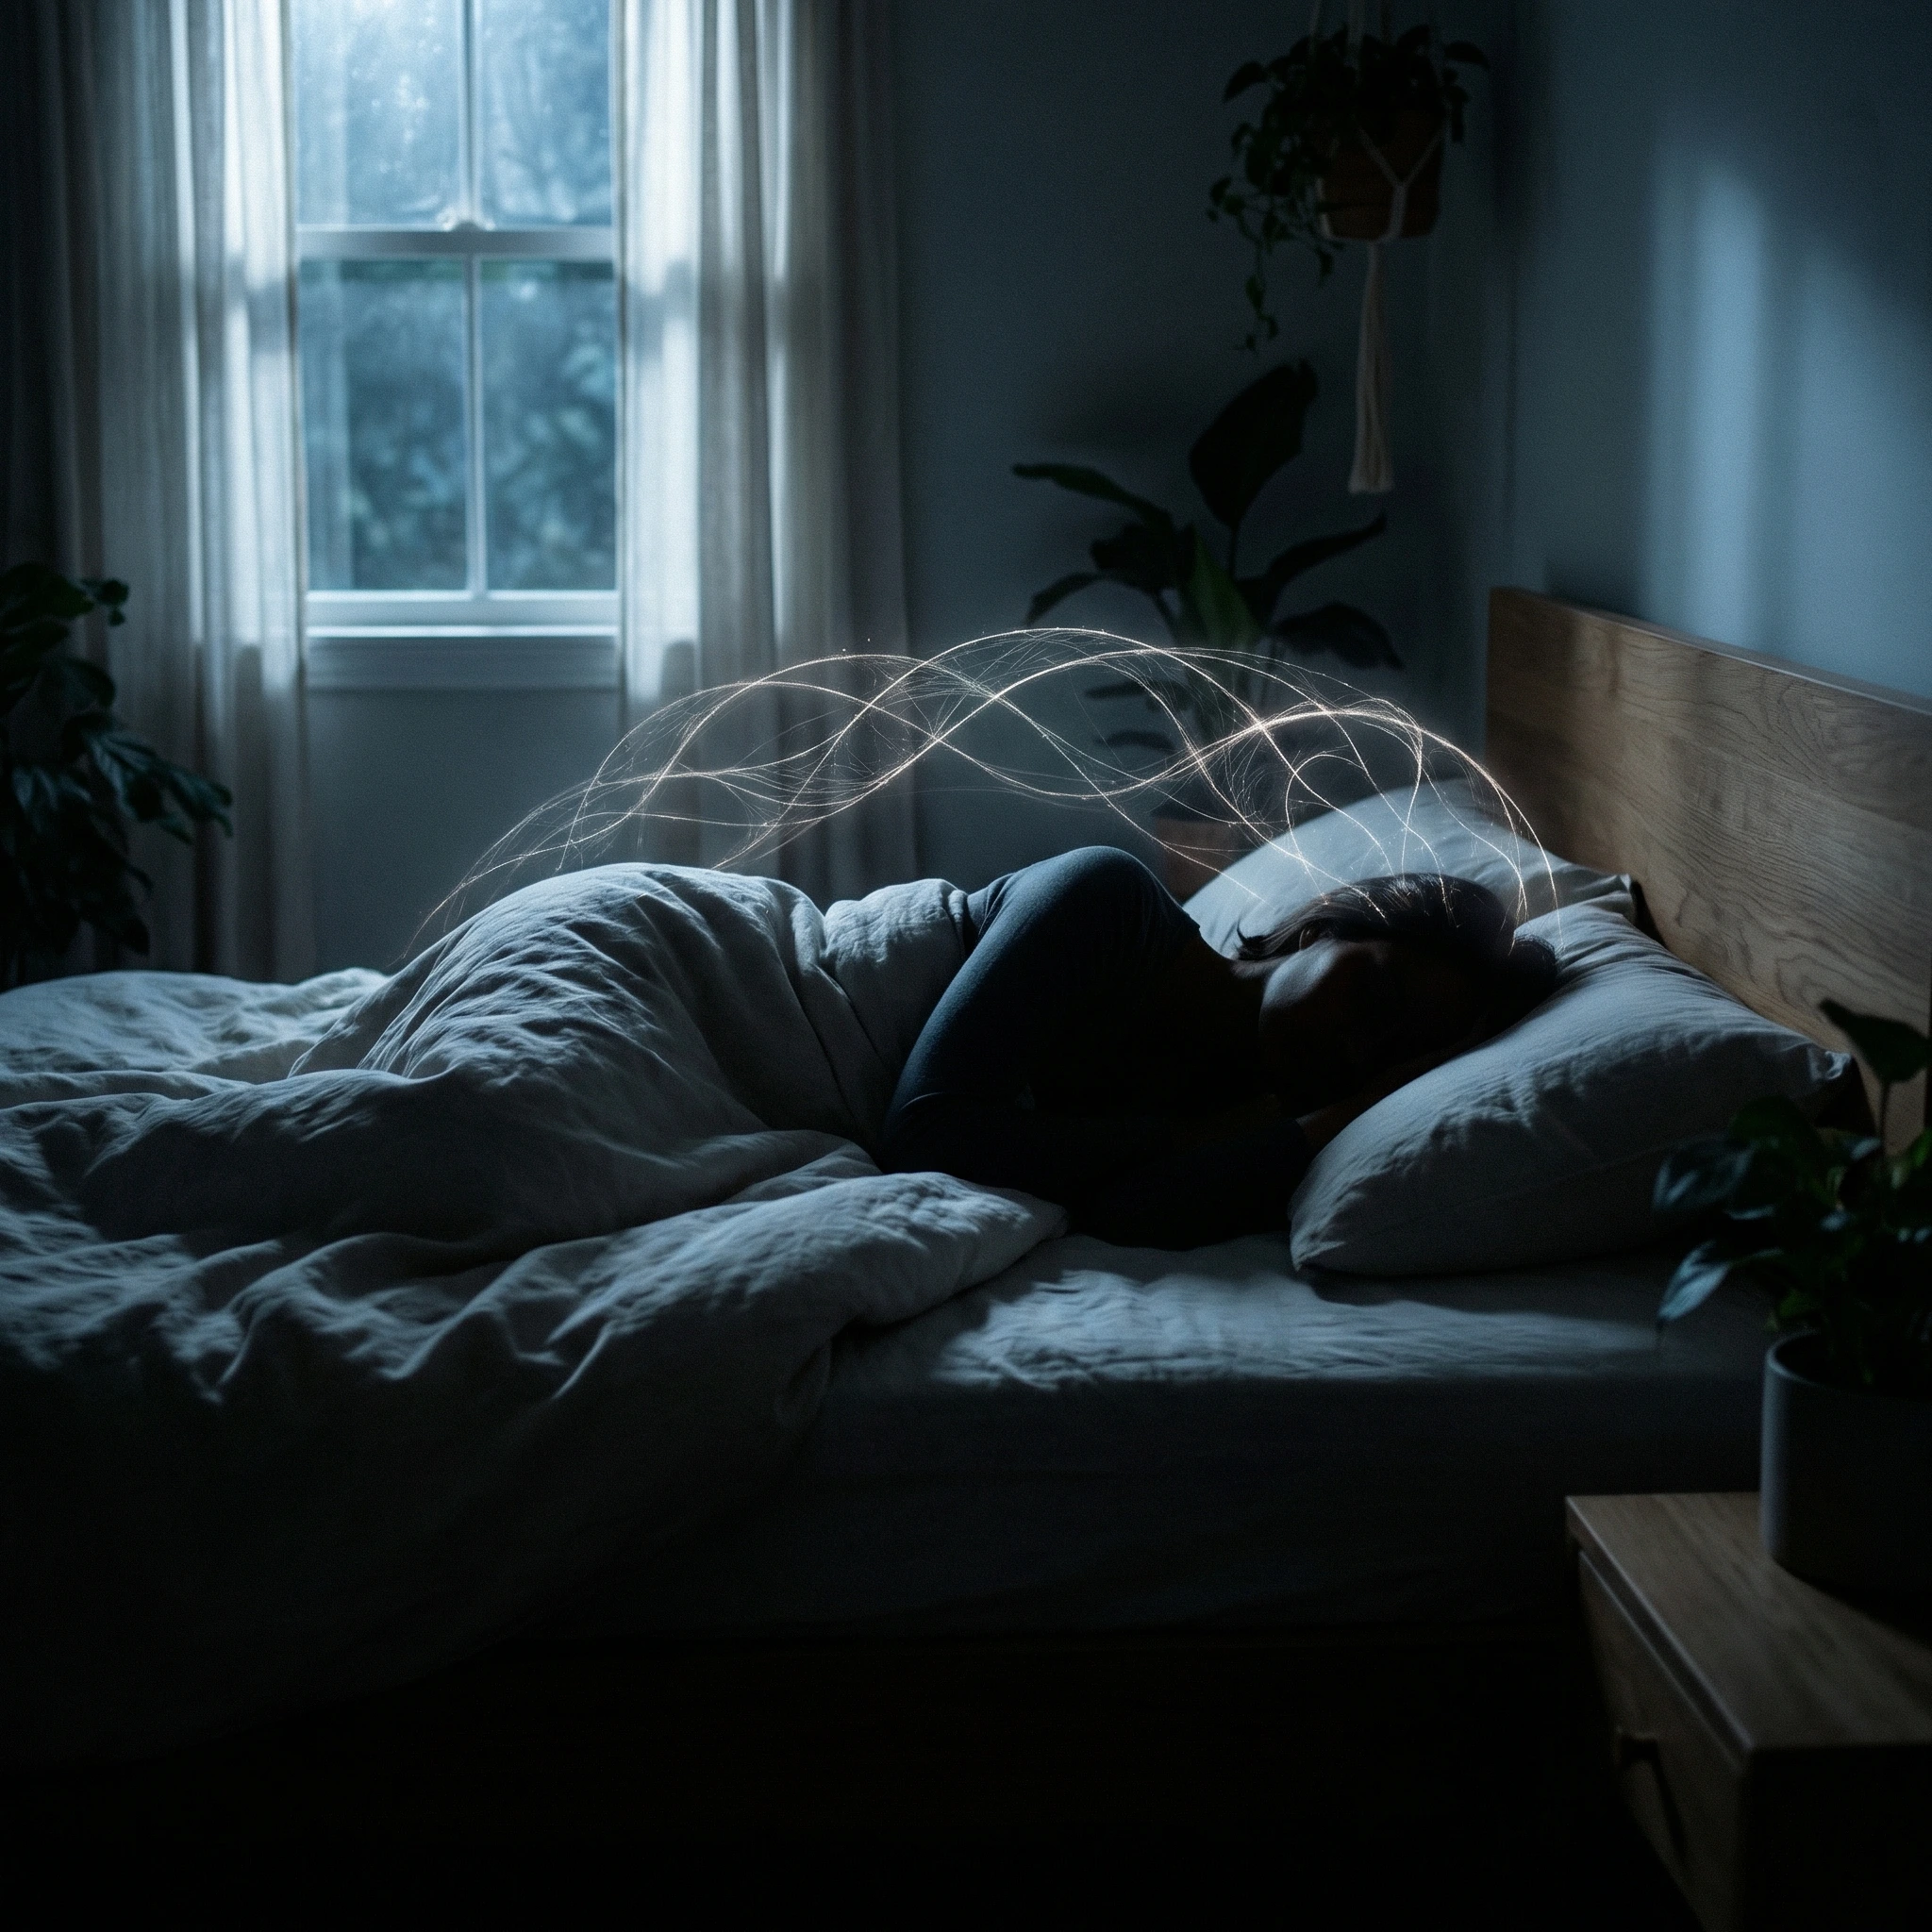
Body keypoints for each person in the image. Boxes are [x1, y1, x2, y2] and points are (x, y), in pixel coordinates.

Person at [877, 845, 1557, 1249]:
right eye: (1375, 997)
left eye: (1394, 1056)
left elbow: (1125, 1216)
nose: (1359, 1047)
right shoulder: (1111, 899)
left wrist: (1360, 1106)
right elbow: (926, 1136)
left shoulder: (1250, 1127)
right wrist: (1187, 1136)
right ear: (1326, 925)